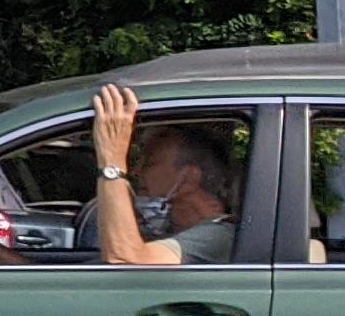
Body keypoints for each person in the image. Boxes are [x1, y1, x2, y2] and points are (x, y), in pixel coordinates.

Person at [89, 83, 237, 265]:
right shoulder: (179, 229)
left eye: (150, 162)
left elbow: (126, 261)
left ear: (188, 178)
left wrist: (112, 161)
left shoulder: (217, 234)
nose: (136, 171)